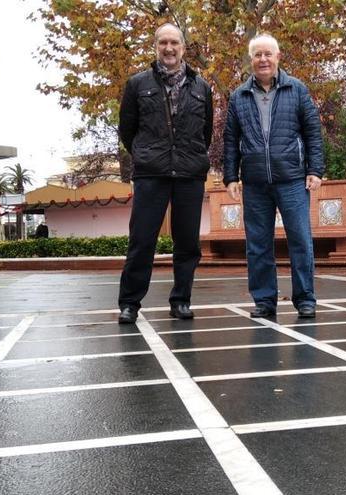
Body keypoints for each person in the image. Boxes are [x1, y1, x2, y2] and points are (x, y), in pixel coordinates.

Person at [116, 23, 214, 324]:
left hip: (188, 174)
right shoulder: (137, 84)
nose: (169, 48)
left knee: (187, 244)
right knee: (142, 240)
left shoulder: (201, 87)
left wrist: (188, 156)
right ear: (155, 47)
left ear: (183, 47)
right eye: (163, 43)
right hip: (151, 173)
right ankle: (130, 303)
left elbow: (205, 132)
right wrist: (147, 155)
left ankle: (181, 300)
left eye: (174, 43)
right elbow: (127, 129)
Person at [223, 33, 323, 319]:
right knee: (257, 245)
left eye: (268, 54)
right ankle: (265, 301)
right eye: (257, 55)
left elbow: (313, 132)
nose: (263, 59)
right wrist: (231, 176)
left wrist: (315, 170)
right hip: (254, 183)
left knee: (301, 241)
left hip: (292, 179)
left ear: (278, 57)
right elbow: (231, 140)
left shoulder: (297, 90)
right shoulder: (239, 96)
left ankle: (305, 298)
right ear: (251, 60)